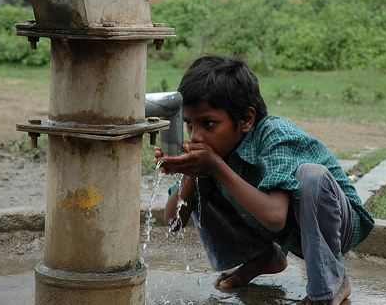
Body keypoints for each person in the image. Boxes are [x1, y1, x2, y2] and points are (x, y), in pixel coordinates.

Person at [153, 54, 374, 305]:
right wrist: (189, 173)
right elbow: (171, 223)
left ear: (246, 119)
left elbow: (275, 218)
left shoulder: (274, 134)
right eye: (190, 125)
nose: (196, 137)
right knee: (211, 180)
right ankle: (263, 257)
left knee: (310, 176)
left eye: (209, 124)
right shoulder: (215, 153)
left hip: (338, 224)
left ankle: (331, 282)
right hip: (291, 228)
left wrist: (216, 166)